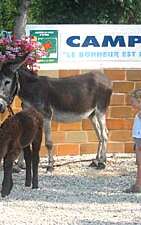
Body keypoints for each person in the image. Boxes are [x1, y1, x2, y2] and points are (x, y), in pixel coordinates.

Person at [126, 88, 141, 193]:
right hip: (138, 142)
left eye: (132, 102)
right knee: (139, 163)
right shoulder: (139, 114)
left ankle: (138, 185)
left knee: (140, 164)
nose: (130, 104)